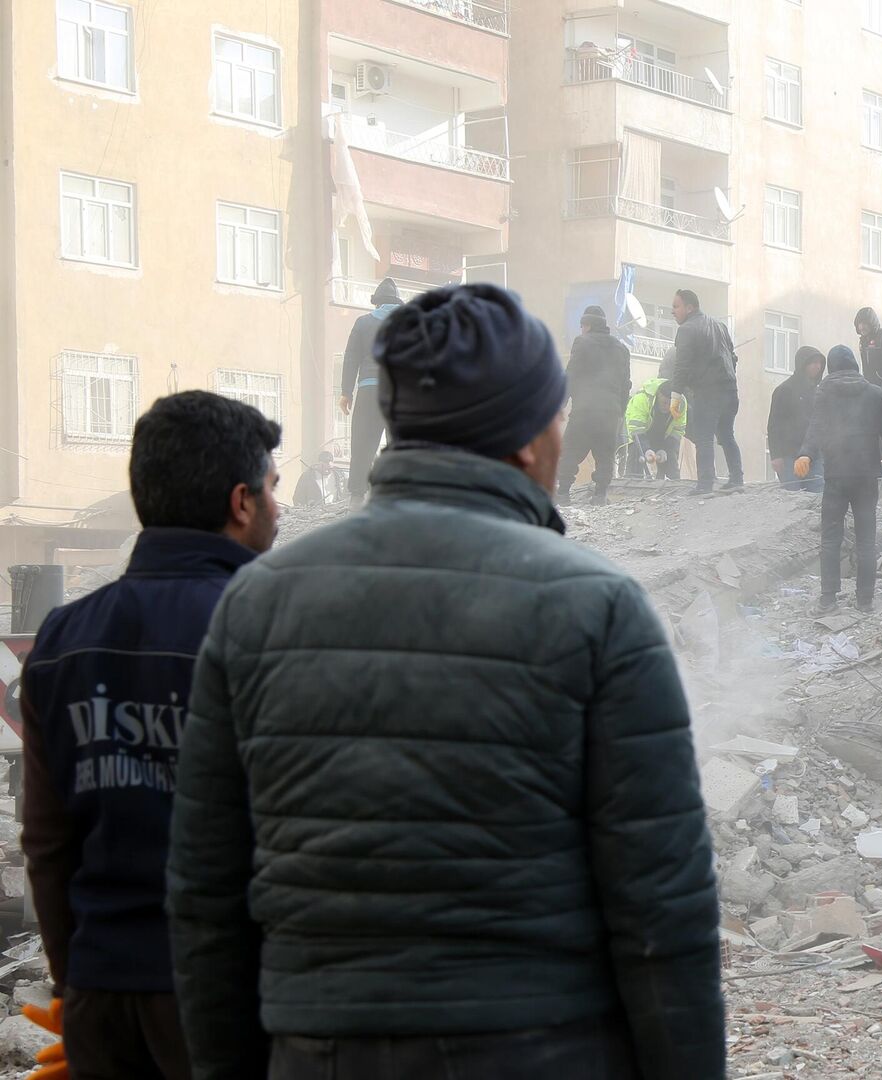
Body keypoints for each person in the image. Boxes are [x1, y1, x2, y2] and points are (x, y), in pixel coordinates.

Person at [167, 284, 724, 1080]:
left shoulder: (255, 603)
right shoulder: (599, 609)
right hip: (541, 1049)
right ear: (530, 437)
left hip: (319, 1051)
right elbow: (660, 907)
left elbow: (205, 897)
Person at [21, 392, 279, 1080]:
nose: (277, 508)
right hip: (230, 995)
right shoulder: (273, 627)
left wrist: (75, 981)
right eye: (273, 489)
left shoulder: (62, 637)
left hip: (102, 992)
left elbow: (46, 842)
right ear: (242, 502)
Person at [795, 346, 882, 614]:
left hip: (836, 475)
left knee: (831, 538)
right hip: (867, 476)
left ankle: (828, 600)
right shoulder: (877, 394)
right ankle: (865, 600)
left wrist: (805, 454)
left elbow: (816, 425)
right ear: (855, 365)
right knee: (867, 539)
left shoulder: (825, 392)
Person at [556, 304, 632, 506]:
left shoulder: (582, 342)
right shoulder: (622, 349)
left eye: (582, 326)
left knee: (570, 452)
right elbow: (626, 385)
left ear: (587, 325)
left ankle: (563, 494)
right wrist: (620, 411)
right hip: (610, 413)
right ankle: (600, 495)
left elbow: (570, 376)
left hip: (585, 410)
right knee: (605, 455)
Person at [670, 288, 743, 494]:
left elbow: (681, 365)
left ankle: (705, 484)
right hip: (730, 389)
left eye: (676, 306)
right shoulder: (720, 326)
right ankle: (737, 479)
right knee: (727, 435)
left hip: (708, 392)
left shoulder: (686, 330)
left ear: (690, 307)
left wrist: (676, 395)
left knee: (704, 437)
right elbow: (732, 358)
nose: (673, 312)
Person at [338, 277, 402, 502]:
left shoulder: (362, 323)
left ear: (377, 303)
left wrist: (346, 391)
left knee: (362, 443)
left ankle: (356, 495)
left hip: (368, 391)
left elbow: (350, 358)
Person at [768, 347, 826, 490]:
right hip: (789, 456)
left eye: (819, 363)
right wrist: (775, 456)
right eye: (813, 362)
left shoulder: (819, 392)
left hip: (814, 456)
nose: (817, 367)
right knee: (792, 498)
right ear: (803, 364)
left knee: (816, 501)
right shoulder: (784, 390)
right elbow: (774, 425)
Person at [626, 374, 686, 481]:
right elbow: (636, 430)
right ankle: (632, 482)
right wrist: (646, 449)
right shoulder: (643, 398)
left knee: (670, 458)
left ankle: (674, 483)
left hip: (663, 436)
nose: (667, 407)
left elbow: (677, 431)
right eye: (664, 402)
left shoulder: (681, 403)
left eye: (671, 404)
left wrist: (665, 449)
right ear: (658, 395)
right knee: (636, 456)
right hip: (639, 435)